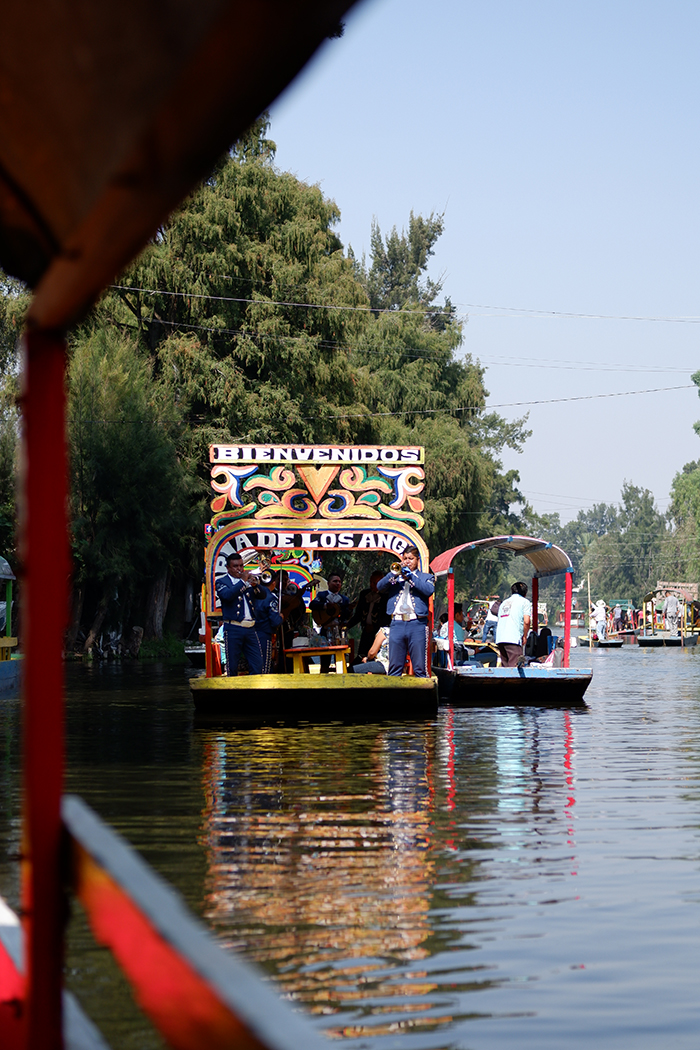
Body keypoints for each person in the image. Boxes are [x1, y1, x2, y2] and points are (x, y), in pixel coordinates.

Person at [377, 547, 434, 677]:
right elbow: (379, 587)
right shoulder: (395, 578)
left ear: (417, 560)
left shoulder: (426, 577)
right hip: (397, 623)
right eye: (405, 559)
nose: (407, 562)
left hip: (417, 623)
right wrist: (393, 574)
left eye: (411, 559)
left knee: (419, 667)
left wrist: (410, 578)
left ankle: (422, 695)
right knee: (395, 667)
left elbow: (428, 590)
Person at [215, 553, 264, 675]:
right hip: (233, 628)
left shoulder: (247, 582)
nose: (240, 569)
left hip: (250, 628)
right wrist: (243, 581)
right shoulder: (222, 582)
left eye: (241, 566)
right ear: (228, 568)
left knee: (257, 663)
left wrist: (255, 585)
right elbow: (227, 596)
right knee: (233, 665)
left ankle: (254, 689)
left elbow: (263, 595)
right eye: (235, 566)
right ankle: (233, 691)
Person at [347, 570, 389, 657]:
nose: (372, 585)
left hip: (379, 634)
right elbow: (358, 615)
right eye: (371, 582)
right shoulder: (364, 594)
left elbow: (386, 618)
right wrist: (347, 625)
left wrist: (374, 627)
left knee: (375, 656)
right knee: (361, 656)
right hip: (365, 632)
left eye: (375, 583)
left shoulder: (387, 596)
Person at [495, 582, 532, 667]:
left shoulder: (504, 603)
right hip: (513, 639)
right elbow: (526, 621)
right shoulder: (525, 602)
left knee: (506, 666)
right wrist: (525, 636)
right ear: (525, 594)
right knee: (516, 667)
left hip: (500, 639)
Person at [252, 573, 284, 673]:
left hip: (250, 633)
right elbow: (275, 621)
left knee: (253, 665)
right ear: (274, 583)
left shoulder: (252, 594)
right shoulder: (270, 597)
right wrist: (281, 617)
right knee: (264, 667)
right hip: (263, 634)